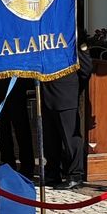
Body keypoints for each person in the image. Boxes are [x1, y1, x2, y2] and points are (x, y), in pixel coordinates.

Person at [41, 42, 92, 189]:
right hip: (46, 92)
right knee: (50, 139)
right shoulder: (43, 31)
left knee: (71, 139)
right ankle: (53, 172)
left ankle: (75, 175)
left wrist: (74, 89)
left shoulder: (72, 32)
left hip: (66, 93)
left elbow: (86, 68)